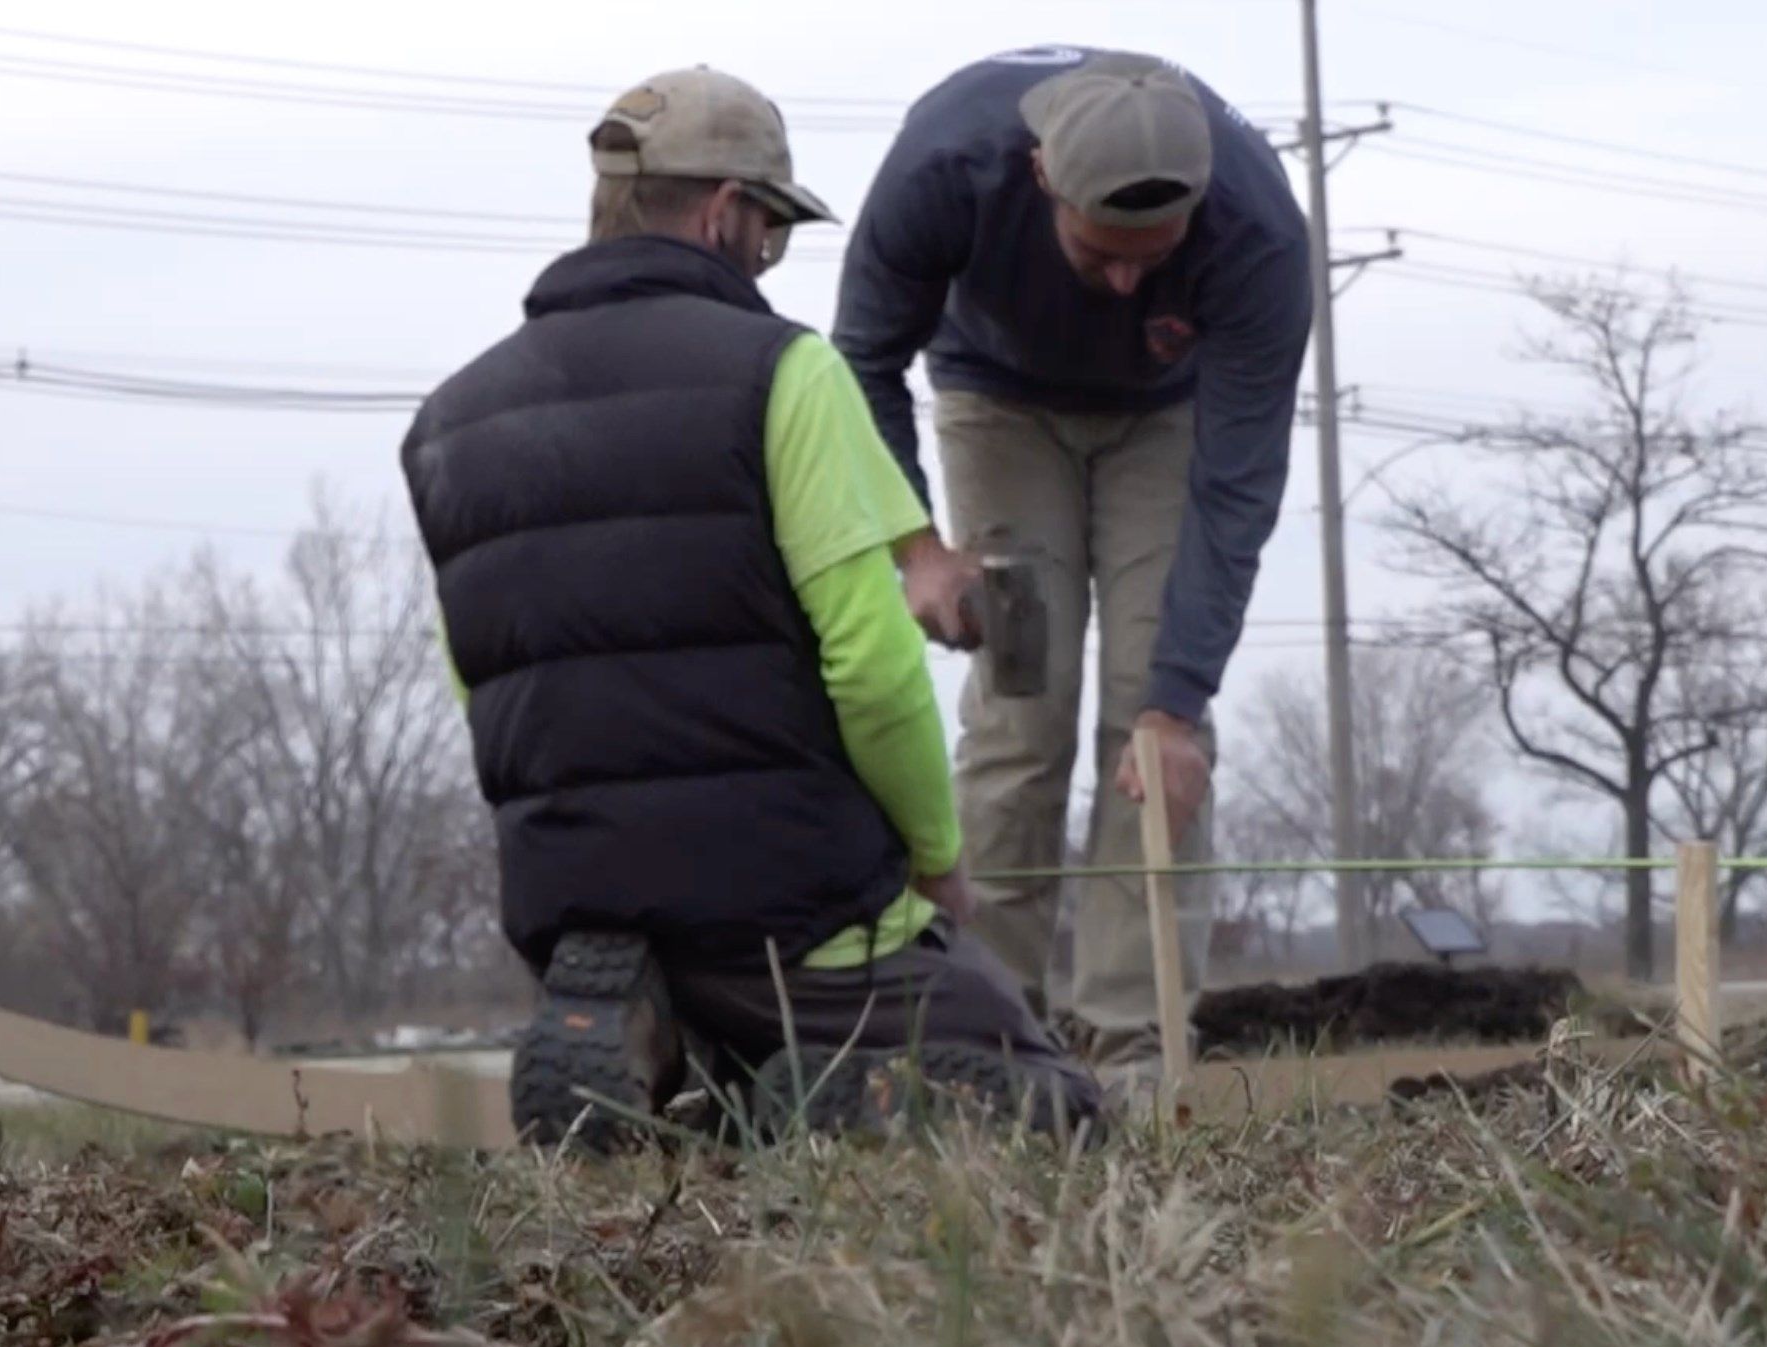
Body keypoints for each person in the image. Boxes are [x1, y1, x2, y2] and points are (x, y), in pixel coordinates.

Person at [398, 65, 1104, 1151]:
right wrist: (933, 859)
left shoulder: (449, 422)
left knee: (727, 1081)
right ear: (725, 212)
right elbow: (872, 666)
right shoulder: (783, 372)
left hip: (573, 901)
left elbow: (477, 685)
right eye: (771, 231)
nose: (767, 255)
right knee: (1052, 1108)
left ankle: (669, 1046)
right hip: (799, 911)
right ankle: (807, 1103)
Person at [831, 46, 1313, 1083]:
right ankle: (983, 1036)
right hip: (996, 402)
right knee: (1021, 704)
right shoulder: (944, 168)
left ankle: (1133, 1047)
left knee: (1153, 723)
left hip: (1166, 419)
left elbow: (1237, 487)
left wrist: (1178, 700)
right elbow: (859, 363)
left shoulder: (1259, 233)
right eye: (1102, 253)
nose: (1129, 282)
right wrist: (914, 546)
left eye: (1155, 255)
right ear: (1042, 176)